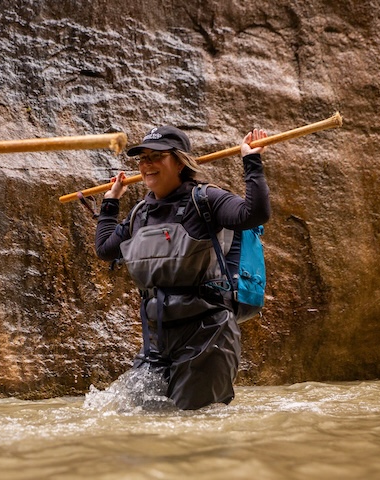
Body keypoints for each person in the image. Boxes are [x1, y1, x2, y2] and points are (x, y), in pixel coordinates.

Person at [94, 125, 270, 410]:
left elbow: (254, 213)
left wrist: (252, 161)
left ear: (179, 161)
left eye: (156, 156)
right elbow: (105, 250)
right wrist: (111, 202)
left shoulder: (206, 200)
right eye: (142, 158)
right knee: (133, 420)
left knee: (193, 427)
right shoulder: (141, 213)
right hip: (157, 342)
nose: (146, 164)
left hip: (208, 336)